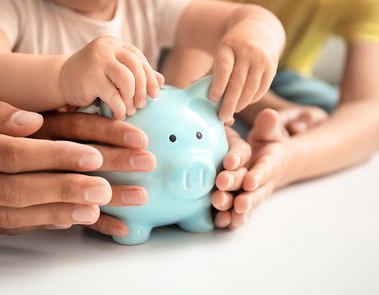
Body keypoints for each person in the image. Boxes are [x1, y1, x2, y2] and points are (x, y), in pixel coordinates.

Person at [0, 0, 285, 235]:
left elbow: (243, 17)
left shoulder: (147, 5)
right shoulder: (9, 7)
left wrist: (257, 34)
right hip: (42, 211)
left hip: (139, 188)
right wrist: (62, 76)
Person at [162, 0, 379, 228]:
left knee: (323, 104)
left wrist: (285, 162)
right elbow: (191, 79)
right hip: (209, 78)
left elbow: (369, 108)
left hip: (281, 84)